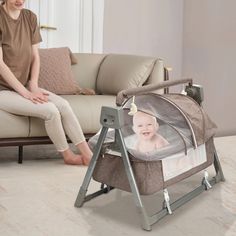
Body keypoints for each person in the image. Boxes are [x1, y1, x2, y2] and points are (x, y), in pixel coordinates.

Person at [0, 0, 92, 165]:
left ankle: (88, 155)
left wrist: (33, 85)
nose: (20, 0)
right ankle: (68, 156)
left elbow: (36, 56)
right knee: (50, 111)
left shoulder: (30, 17)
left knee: (63, 105)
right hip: (2, 91)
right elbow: (1, 64)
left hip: (24, 86)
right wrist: (26, 93)